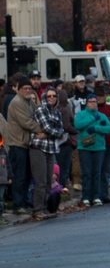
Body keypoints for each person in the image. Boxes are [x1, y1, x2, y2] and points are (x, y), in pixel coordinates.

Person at [6, 76, 42, 213]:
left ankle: (25, 201)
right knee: (19, 176)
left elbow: (37, 113)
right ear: (19, 89)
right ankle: (17, 205)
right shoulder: (17, 102)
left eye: (29, 88)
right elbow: (26, 122)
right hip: (18, 144)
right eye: (25, 88)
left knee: (27, 175)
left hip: (27, 144)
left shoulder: (28, 101)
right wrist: (42, 130)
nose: (28, 91)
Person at [29, 88, 65, 216]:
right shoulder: (40, 109)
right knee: (41, 181)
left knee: (49, 180)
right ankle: (37, 209)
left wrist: (49, 134)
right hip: (38, 148)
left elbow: (61, 130)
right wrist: (52, 132)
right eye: (49, 96)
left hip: (50, 149)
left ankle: (45, 208)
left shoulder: (57, 112)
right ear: (44, 97)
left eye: (54, 95)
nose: (51, 98)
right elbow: (46, 127)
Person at [74, 95, 110, 207]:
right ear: (86, 103)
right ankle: (85, 197)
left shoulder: (102, 116)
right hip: (84, 148)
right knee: (86, 173)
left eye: (95, 102)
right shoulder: (81, 115)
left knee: (97, 173)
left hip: (99, 148)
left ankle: (96, 196)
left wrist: (97, 128)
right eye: (90, 102)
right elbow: (78, 125)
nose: (93, 104)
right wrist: (92, 119)